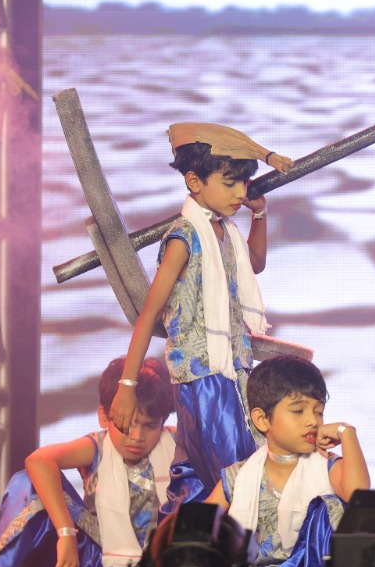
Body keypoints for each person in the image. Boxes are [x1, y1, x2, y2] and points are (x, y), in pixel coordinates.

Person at [108, 122, 292, 492]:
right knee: (233, 478)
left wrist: (259, 215)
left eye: (244, 183)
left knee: (218, 477)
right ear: (194, 181)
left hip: (232, 371)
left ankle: (194, 529)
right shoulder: (184, 238)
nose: (240, 193)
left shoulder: (224, 230)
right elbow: (149, 314)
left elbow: (255, 263)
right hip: (202, 376)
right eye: (230, 183)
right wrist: (126, 385)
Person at [0, 356, 201, 567]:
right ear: (105, 416)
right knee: (28, 482)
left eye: (150, 426)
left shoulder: (176, 444)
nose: (137, 437)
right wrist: (66, 534)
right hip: (86, 566)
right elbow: (38, 461)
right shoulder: (97, 446)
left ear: (163, 422)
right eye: (128, 424)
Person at [204, 355, 369, 567]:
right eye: (298, 411)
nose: (312, 421)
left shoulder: (328, 466)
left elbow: (359, 494)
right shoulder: (239, 476)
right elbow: (196, 526)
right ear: (262, 419)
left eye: (319, 411)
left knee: (326, 508)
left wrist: (347, 432)